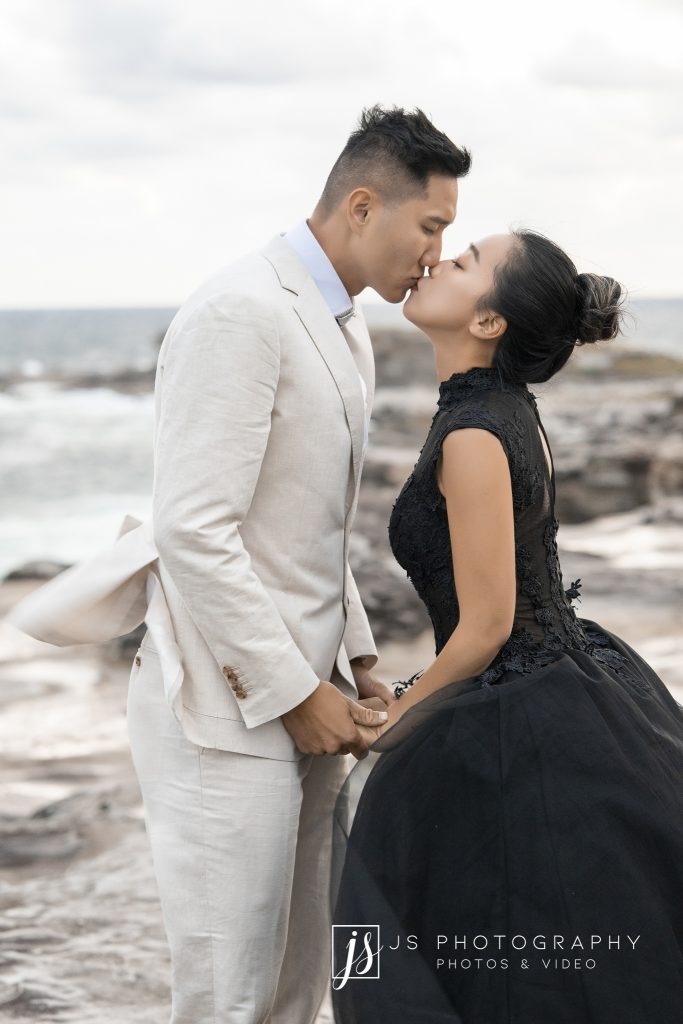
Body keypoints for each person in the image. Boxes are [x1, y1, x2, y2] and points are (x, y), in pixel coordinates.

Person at [5, 105, 471, 1024]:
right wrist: (293, 694)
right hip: (223, 711)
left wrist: (357, 659)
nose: (435, 252)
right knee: (230, 996)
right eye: (430, 226)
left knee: (299, 990)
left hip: (315, 691)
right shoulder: (239, 310)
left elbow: (312, 524)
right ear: (363, 206)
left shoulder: (345, 326)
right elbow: (193, 529)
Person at [330, 229, 683, 1023]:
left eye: (463, 262)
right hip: (552, 690)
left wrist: (401, 715)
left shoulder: (473, 434)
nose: (436, 259)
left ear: (488, 322)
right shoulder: (503, 411)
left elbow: (487, 624)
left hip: (515, 718)